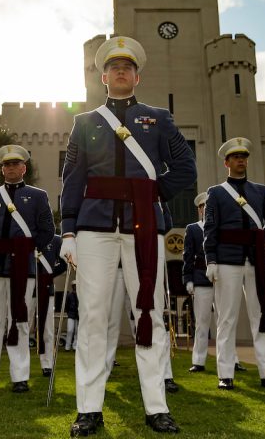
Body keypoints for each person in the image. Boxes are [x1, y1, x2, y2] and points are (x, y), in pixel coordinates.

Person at [59, 36, 195, 436]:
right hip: (94, 227)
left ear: (137, 76)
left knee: (148, 314)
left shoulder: (159, 118)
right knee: (94, 317)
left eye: (128, 67)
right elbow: (73, 179)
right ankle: (89, 409)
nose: (121, 72)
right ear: (104, 76)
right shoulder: (84, 122)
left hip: (143, 225)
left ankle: (157, 408)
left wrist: (151, 194)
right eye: (114, 67)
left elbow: (186, 169)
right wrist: (68, 230)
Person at [0, 145, 55, 394]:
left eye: (15, 164)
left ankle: (20, 376)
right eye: (6, 165)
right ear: (2, 169)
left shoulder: (38, 195)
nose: (10, 168)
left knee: (19, 320)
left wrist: (28, 248)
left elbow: (47, 229)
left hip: (22, 265)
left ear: (23, 168)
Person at [203, 137, 265, 392]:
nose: (241, 161)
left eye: (244, 157)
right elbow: (210, 229)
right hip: (227, 260)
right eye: (236, 157)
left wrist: (257, 241)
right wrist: (211, 259)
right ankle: (225, 373)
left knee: (261, 316)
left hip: (257, 260)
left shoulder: (261, 191)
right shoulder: (215, 193)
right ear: (227, 162)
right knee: (226, 319)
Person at [182, 192, 214, 372]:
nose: (205, 210)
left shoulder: (220, 228)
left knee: (226, 321)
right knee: (202, 322)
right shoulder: (193, 229)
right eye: (203, 207)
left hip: (221, 279)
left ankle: (232, 359)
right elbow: (187, 256)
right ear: (199, 210)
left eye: (208, 207)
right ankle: (199, 361)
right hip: (201, 278)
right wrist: (188, 279)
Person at [31, 234, 66, 377]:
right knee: (23, 326)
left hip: (46, 287)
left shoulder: (57, 240)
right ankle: (21, 365)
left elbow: (63, 264)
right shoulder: (27, 235)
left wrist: (49, 275)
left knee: (48, 328)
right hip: (27, 287)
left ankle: (47, 364)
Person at [64, 280, 79, 351]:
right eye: (74, 286)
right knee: (70, 330)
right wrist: (68, 312)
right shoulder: (69, 295)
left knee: (77, 331)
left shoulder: (80, 295)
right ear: (72, 286)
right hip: (71, 314)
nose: (75, 287)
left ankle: (75, 346)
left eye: (76, 286)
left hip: (78, 315)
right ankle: (67, 346)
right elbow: (66, 305)